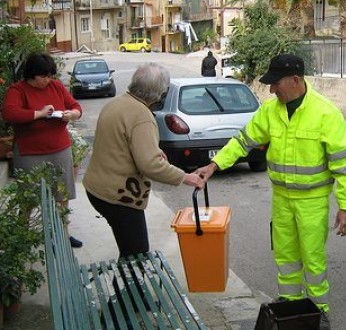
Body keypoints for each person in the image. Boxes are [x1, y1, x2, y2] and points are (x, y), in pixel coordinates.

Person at [195, 54, 346, 330]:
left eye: (275, 84)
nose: (271, 90)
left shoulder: (326, 113)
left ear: (295, 80)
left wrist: (345, 206)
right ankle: (290, 305)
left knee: (313, 260)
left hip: (312, 201)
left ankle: (319, 312)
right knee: (285, 258)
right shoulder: (271, 111)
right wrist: (214, 165)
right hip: (281, 199)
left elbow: (343, 166)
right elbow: (243, 141)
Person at [83, 63, 205, 258]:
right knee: (136, 255)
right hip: (118, 196)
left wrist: (153, 151)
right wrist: (186, 177)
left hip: (98, 188)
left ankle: (124, 286)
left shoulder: (117, 103)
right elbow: (150, 165)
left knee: (130, 250)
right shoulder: (141, 116)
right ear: (158, 94)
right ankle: (127, 288)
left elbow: (121, 145)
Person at [2, 52, 84, 248]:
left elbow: (76, 107)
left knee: (62, 196)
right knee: (27, 198)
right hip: (30, 152)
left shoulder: (55, 86)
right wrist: (38, 114)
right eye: (43, 76)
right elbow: (9, 112)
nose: (47, 80)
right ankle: (23, 237)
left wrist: (70, 114)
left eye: (50, 76)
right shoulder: (18, 90)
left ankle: (63, 235)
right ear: (31, 74)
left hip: (59, 149)